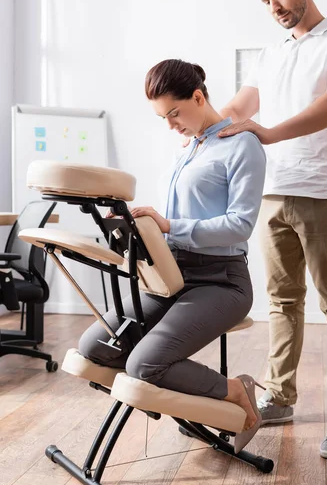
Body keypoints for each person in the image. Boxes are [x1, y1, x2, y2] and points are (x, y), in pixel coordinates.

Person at [217, 0, 327, 459]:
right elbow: (240, 109)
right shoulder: (271, 53)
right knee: (283, 302)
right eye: (266, 1)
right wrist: (204, 127)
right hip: (273, 194)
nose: (275, 7)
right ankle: (280, 396)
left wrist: (270, 133)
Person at [79, 59, 267, 453]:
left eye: (174, 113)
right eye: (163, 117)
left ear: (198, 97)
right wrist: (136, 225)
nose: (170, 125)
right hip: (169, 276)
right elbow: (169, 220)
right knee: (96, 346)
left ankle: (234, 391)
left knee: (144, 364)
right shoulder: (188, 149)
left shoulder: (241, 144)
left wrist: (169, 226)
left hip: (221, 281)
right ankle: (183, 400)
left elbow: (240, 224)